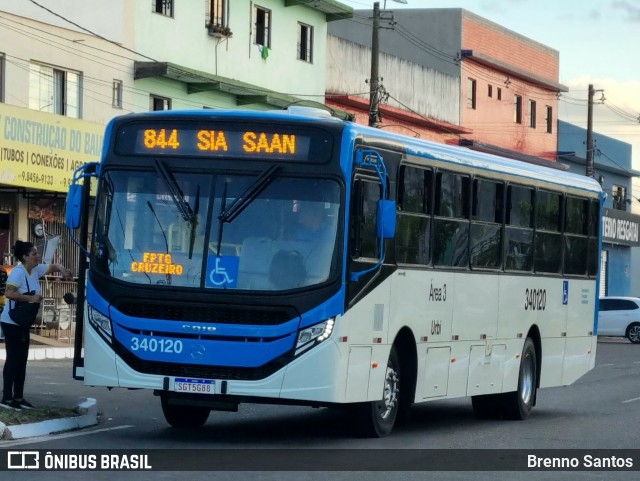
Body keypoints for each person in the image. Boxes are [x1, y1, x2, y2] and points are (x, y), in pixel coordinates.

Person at [0, 240, 72, 410]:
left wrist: (62, 269)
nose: (37, 256)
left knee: (22, 360)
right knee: (13, 359)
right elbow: (9, 292)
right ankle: (6, 398)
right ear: (25, 257)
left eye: (36, 253)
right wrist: (30, 298)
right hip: (11, 322)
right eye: (33, 254)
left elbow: (52, 267)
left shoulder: (35, 270)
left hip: (24, 321)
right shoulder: (18, 272)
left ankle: (18, 397)